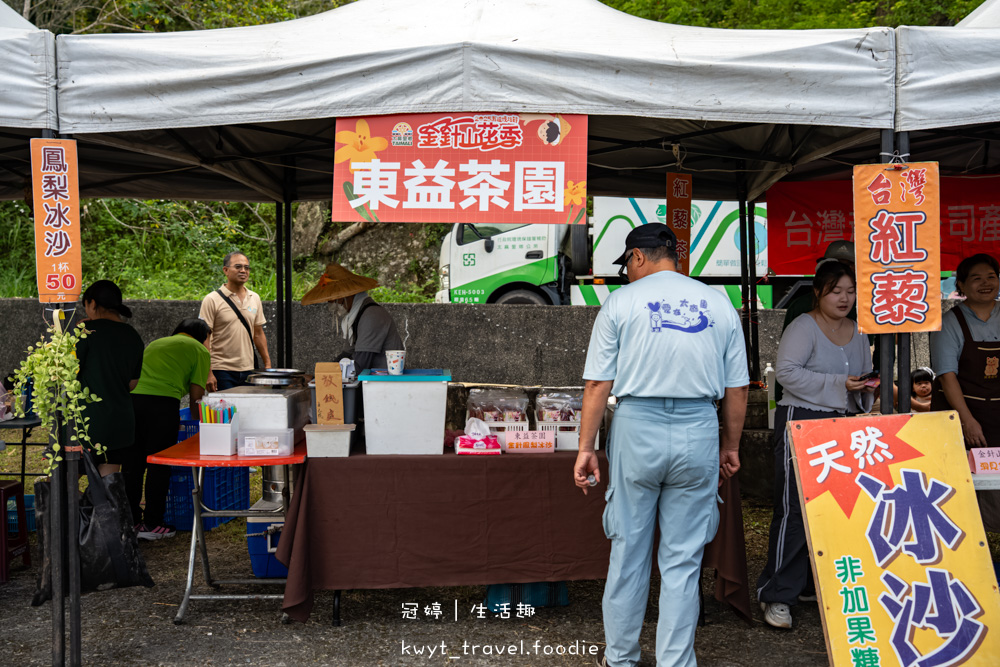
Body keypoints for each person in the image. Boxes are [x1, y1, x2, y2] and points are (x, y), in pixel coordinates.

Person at [572, 223, 749, 667]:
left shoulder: (621, 303)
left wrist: (586, 448)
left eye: (627, 266)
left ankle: (621, 658)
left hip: (637, 426)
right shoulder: (718, 302)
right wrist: (730, 446)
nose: (627, 274)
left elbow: (597, 384)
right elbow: (738, 389)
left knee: (628, 551)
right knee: (683, 560)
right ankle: (675, 661)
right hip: (699, 429)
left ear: (637, 257)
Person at [757, 261, 875, 630]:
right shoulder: (803, 326)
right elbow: (787, 372)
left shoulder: (858, 331)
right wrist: (842, 382)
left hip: (842, 426)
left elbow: (865, 375)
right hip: (802, 423)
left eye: (850, 291)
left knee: (837, 509)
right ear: (818, 293)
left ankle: (811, 584)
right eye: (835, 290)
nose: (844, 298)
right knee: (794, 510)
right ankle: (776, 593)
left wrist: (864, 388)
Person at [929, 252, 1000, 531]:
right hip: (962, 414)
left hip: (997, 414)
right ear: (960, 285)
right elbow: (947, 377)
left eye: (991, 277)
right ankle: (970, 542)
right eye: (976, 279)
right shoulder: (950, 322)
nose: (985, 284)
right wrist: (967, 420)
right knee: (963, 482)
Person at [123, 318, 212, 541]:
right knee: (159, 464)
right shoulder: (200, 350)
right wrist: (198, 422)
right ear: (203, 336)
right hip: (162, 406)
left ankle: (131, 521)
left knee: (132, 465)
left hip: (132, 403)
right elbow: (196, 396)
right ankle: (153, 523)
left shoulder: (156, 343)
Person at [76, 280, 145, 477]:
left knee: (64, 485)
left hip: (87, 423)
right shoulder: (132, 335)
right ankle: (97, 508)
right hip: (120, 424)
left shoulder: (86, 333)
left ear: (92, 303)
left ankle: (82, 507)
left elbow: (67, 374)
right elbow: (133, 383)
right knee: (108, 487)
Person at [774, 241, 856, 403]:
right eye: (836, 267)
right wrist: (779, 401)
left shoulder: (861, 308)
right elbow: (786, 366)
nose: (842, 273)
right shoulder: (801, 309)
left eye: (848, 267)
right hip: (806, 401)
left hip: (849, 401)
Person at [301, 263, 403, 372]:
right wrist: (323, 372)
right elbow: (347, 354)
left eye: (335, 300)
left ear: (347, 296)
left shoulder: (371, 316)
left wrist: (327, 376)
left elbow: (361, 365)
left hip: (384, 383)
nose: (333, 305)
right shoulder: (354, 317)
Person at [199, 251, 271, 391]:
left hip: (250, 370)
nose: (243, 270)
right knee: (226, 412)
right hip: (221, 370)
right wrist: (208, 373)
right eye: (238, 267)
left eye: (246, 267)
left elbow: (258, 333)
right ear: (226, 270)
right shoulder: (212, 299)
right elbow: (204, 338)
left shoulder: (254, 298)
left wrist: (267, 364)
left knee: (249, 411)